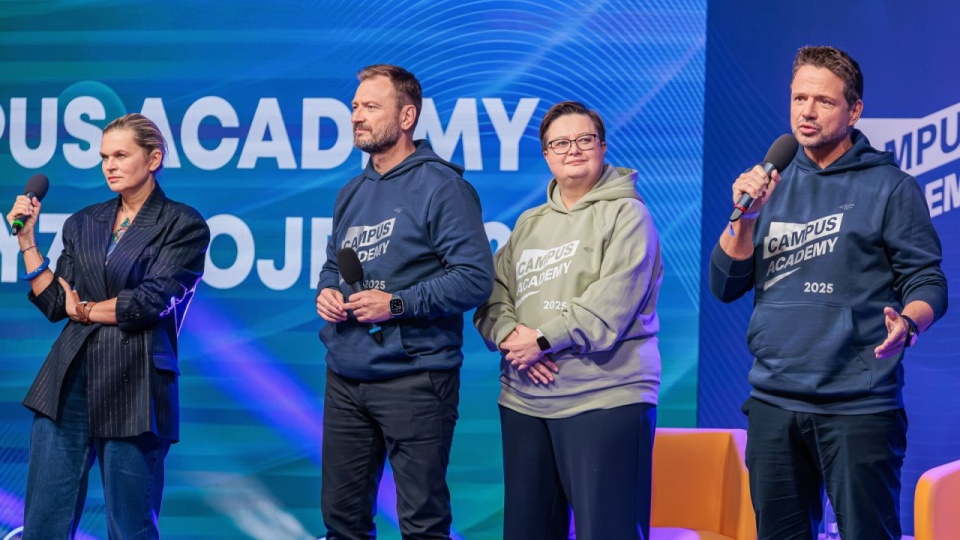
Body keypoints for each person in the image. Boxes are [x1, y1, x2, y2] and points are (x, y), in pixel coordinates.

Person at [710, 46, 948, 540]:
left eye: (823, 101)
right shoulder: (769, 184)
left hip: (857, 407)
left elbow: (928, 281)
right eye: (799, 98)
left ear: (854, 110)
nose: (807, 111)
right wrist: (746, 219)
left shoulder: (890, 187)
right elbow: (724, 286)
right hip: (774, 401)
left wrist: (909, 321)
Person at [5, 113, 210, 539]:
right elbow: (53, 303)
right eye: (103, 157)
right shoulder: (83, 222)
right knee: (42, 525)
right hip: (68, 380)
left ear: (153, 158)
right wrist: (27, 243)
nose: (109, 165)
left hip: (136, 384)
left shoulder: (183, 224)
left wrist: (84, 310)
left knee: (129, 527)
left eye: (121, 155)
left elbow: (148, 303)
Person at [314, 64, 494, 540]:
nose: (357, 116)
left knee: (422, 524)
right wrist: (328, 291)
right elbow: (335, 263)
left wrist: (395, 305)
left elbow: (475, 280)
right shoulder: (351, 192)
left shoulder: (442, 186)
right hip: (347, 376)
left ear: (407, 115)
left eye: (370, 107)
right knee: (342, 522)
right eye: (354, 106)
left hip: (416, 378)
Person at [474, 100, 664, 540]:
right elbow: (491, 297)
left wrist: (541, 341)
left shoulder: (629, 215)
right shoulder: (529, 223)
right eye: (560, 143)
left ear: (602, 147)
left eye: (584, 140)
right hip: (524, 401)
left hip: (605, 398)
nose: (573, 150)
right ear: (546, 155)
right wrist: (510, 336)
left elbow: (609, 306)